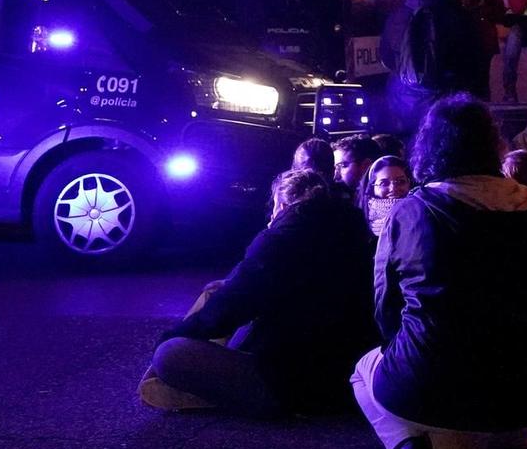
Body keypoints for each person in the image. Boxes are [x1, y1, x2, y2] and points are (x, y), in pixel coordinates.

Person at [351, 95, 527, 449]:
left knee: (362, 370)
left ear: (431, 146)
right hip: (520, 387)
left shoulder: (410, 211)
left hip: (424, 381)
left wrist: (405, 347)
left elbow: (384, 306)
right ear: (491, 144)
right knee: (505, 403)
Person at [142, 169, 377, 416]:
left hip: (293, 381)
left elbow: (229, 307)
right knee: (221, 294)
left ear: (282, 204)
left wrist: (170, 337)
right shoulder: (355, 232)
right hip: (347, 371)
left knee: (170, 354)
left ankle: (219, 395)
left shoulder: (283, 237)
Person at [380, 0, 489, 136]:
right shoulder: (461, 15)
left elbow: (386, 58)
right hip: (447, 97)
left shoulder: (398, 15)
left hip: (404, 99)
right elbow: (474, 60)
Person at [449, 0, 508, 98]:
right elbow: (450, 3)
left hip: (483, 33)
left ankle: (483, 110)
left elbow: (498, 7)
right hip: (461, 33)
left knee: (482, 76)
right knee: (463, 74)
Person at [362, 155, 415, 236]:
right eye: (384, 183)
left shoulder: (421, 215)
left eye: (401, 181)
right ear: (372, 188)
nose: (393, 188)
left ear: (409, 183)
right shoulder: (359, 221)